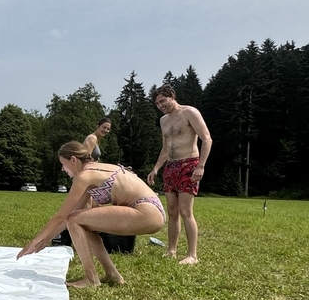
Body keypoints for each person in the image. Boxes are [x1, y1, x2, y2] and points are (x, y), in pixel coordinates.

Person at [17, 141, 165, 288]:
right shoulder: (96, 170)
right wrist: (45, 240)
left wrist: (33, 243)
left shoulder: (84, 176)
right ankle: (112, 274)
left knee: (74, 219)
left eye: (63, 163)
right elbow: (70, 216)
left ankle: (91, 279)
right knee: (80, 222)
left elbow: (62, 216)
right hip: (152, 211)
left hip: (146, 212)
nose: (62, 169)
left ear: (73, 160)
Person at [146, 84, 212, 265]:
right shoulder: (163, 121)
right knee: (172, 210)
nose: (160, 106)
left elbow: (207, 139)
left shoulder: (190, 112)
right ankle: (171, 250)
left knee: (185, 210)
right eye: (157, 103)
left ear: (172, 96)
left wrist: (201, 166)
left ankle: (192, 255)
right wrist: (156, 168)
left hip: (189, 164)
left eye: (163, 101)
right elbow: (165, 149)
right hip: (171, 167)